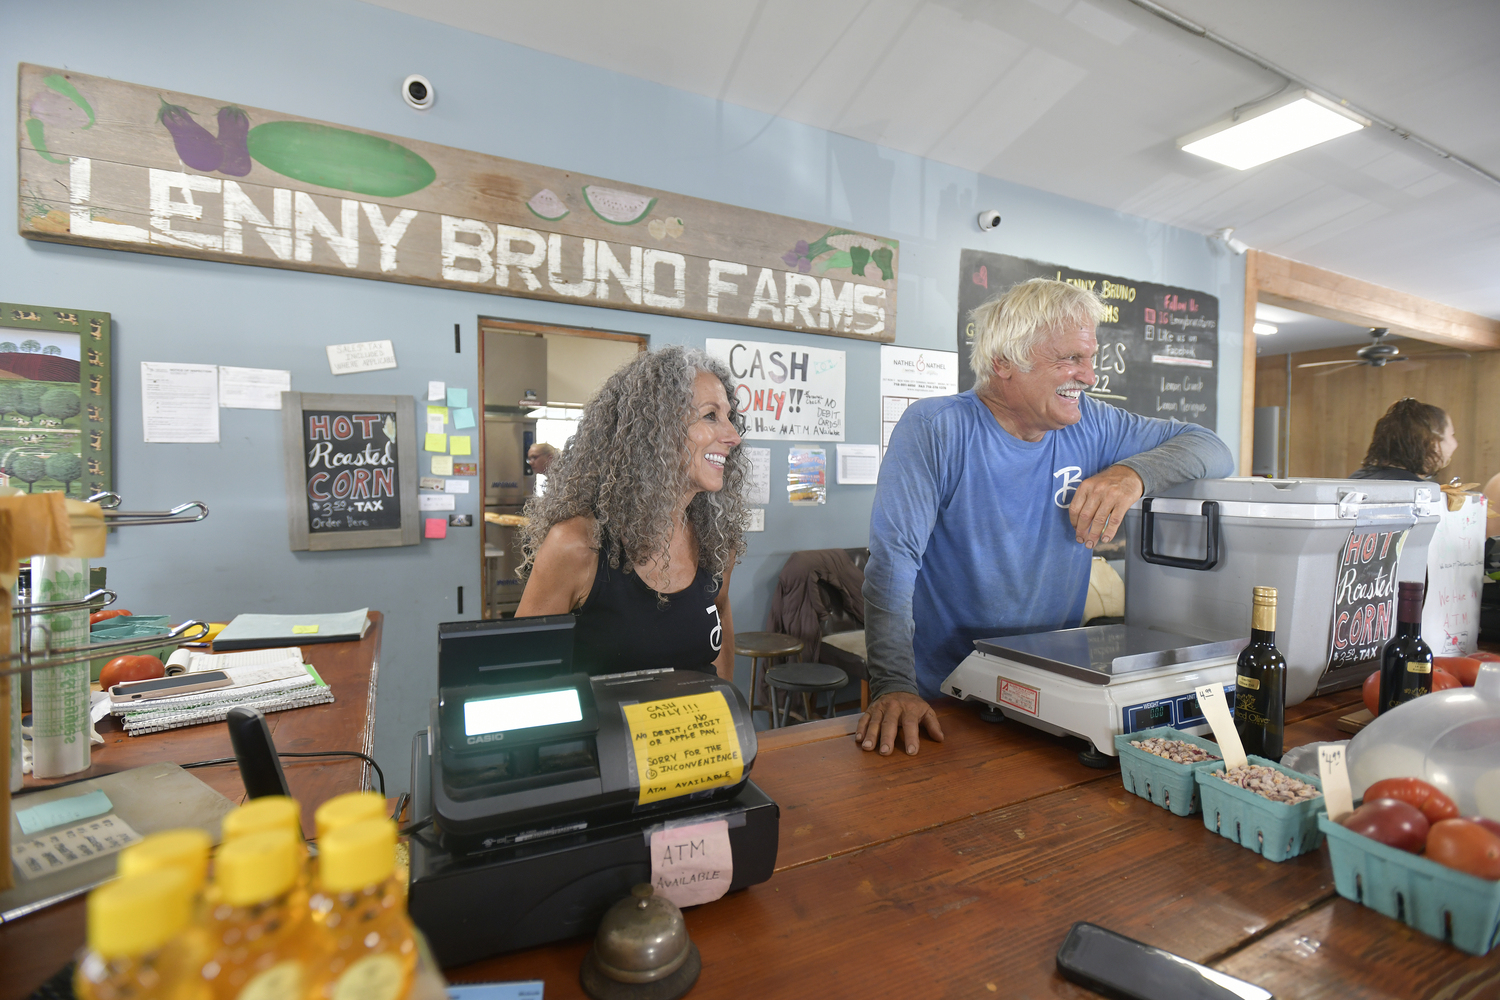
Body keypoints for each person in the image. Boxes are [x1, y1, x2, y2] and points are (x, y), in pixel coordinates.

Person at [857, 278, 1235, 757]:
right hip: (947, 696)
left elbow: (1214, 449)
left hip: (1050, 692)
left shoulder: (1096, 424)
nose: (1090, 376)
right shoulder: (938, 427)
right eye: (1070, 360)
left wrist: (1132, 474)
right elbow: (893, 561)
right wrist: (892, 683)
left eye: (1090, 358)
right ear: (1003, 363)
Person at [517, 346, 746, 680]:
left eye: (729, 417)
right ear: (657, 430)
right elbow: (522, 671)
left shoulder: (715, 542)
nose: (733, 436)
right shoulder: (577, 545)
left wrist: (728, 714)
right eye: (711, 416)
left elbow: (721, 612)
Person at [1347, 398, 1456, 481]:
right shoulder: (1419, 494)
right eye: (1451, 435)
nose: (1455, 444)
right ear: (1433, 443)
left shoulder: (1357, 477)